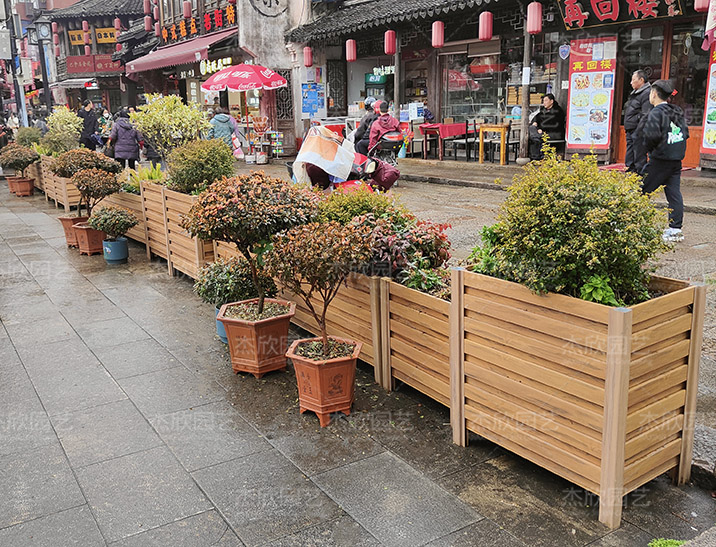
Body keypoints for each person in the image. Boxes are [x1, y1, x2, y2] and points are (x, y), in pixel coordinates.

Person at [642, 79, 689, 243]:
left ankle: (627, 222)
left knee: (641, 189)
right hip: (675, 159)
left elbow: (651, 137)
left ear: (654, 94)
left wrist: (650, 150)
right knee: (674, 193)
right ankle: (675, 229)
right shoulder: (677, 111)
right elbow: (686, 134)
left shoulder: (656, 112)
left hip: (660, 159)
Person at [624, 70, 653, 174]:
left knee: (639, 156)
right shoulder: (636, 93)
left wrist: (638, 131)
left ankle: (640, 179)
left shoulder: (647, 93)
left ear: (641, 80)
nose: (631, 83)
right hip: (631, 129)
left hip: (638, 130)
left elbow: (646, 114)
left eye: (633, 80)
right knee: (631, 154)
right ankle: (630, 175)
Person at [529, 93, 566, 160]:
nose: (544, 103)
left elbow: (554, 125)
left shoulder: (558, 111)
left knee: (534, 138)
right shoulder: (543, 110)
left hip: (554, 133)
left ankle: (536, 157)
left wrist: (542, 130)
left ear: (551, 101)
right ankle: (536, 155)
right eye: (543, 101)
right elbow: (537, 117)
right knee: (532, 128)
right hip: (542, 132)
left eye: (546, 101)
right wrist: (535, 122)